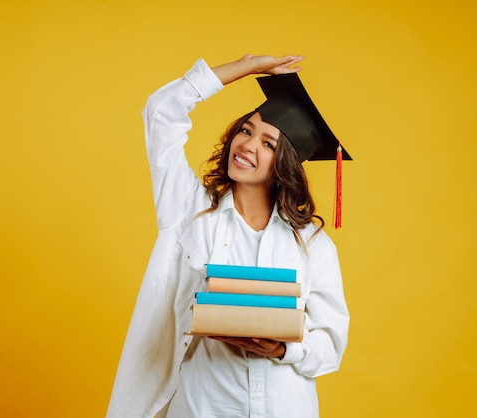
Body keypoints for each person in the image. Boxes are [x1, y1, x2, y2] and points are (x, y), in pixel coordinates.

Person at [106, 54, 350, 418]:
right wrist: (246, 67)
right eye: (246, 130)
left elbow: (330, 346)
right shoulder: (190, 211)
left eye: (268, 144)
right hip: (202, 405)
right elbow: (160, 113)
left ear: (286, 164)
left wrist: (282, 349)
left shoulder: (312, 245)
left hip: (284, 408)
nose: (248, 145)